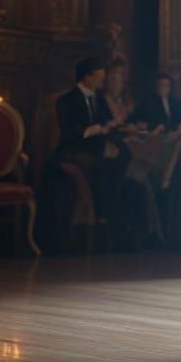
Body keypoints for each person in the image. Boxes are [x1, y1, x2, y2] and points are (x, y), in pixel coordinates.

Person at [55, 56, 138, 246]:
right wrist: (99, 132)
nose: (102, 81)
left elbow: (107, 124)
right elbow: (71, 132)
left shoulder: (99, 100)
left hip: (98, 144)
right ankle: (102, 216)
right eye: (99, 77)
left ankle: (110, 215)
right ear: (87, 77)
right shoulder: (67, 100)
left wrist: (114, 130)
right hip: (74, 148)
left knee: (123, 155)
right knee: (101, 163)